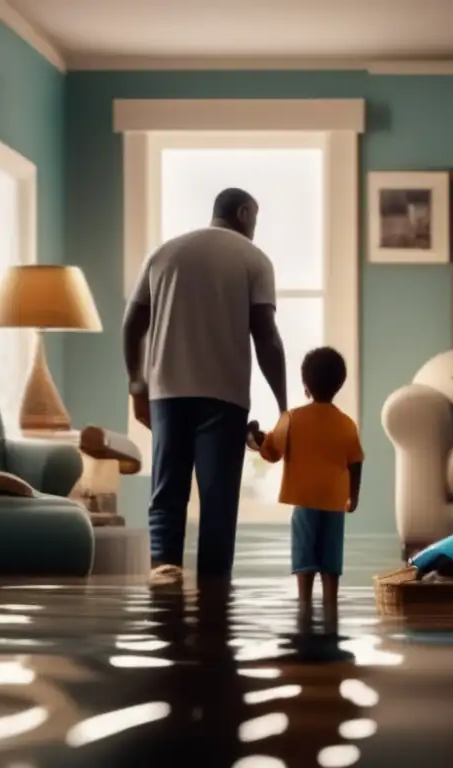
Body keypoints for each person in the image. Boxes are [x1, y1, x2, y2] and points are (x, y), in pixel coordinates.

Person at [122, 187, 287, 579]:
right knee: (218, 497)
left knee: (167, 488)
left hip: (167, 390)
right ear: (245, 213)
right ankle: (214, 580)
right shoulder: (254, 259)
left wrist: (137, 386)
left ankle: (164, 566)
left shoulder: (164, 253)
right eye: (256, 220)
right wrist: (282, 406)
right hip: (224, 393)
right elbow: (265, 333)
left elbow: (132, 325)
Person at [248, 346, 363, 609]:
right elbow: (356, 462)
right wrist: (353, 496)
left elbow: (272, 451)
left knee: (305, 551)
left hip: (305, 500)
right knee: (331, 551)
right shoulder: (346, 423)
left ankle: (304, 600)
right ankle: (331, 599)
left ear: (306, 386)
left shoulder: (293, 419)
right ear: (338, 385)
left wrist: (256, 442)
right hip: (334, 502)